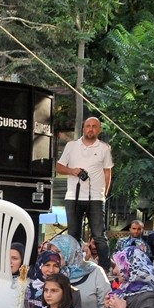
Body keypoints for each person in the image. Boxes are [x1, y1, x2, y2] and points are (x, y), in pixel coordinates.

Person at [57, 116, 114, 270]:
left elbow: (107, 172)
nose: (90, 129)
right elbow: (59, 167)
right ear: (83, 128)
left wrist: (103, 194)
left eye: (94, 126)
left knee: (99, 235)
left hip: (95, 197)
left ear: (99, 129)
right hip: (73, 196)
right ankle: (72, 267)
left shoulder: (104, 148)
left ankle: (105, 269)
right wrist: (72, 171)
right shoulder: (71, 146)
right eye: (88, 126)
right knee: (73, 235)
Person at [51, 232, 110, 308]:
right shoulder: (53, 275)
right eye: (52, 252)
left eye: (58, 251)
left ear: (70, 250)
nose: (54, 256)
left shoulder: (94, 272)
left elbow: (105, 304)